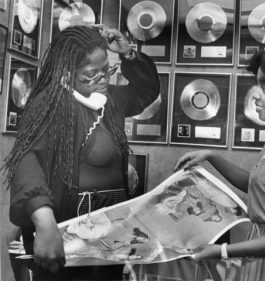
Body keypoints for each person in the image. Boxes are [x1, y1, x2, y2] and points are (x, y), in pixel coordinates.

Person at [3, 25, 159, 280]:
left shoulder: (108, 100)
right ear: (66, 71)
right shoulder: (50, 104)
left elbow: (146, 92)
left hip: (107, 241)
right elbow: (28, 161)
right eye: (91, 73)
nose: (103, 79)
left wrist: (129, 54)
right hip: (68, 242)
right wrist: (44, 222)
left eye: (106, 69)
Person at [173, 48, 265, 281]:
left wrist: (222, 251)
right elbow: (259, 187)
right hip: (263, 251)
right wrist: (212, 156)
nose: (254, 95)